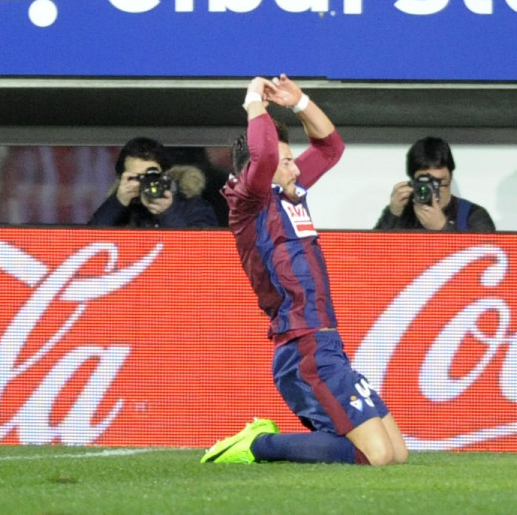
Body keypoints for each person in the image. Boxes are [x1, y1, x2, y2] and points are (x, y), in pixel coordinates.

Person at [201, 74, 408, 467]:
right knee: (375, 455)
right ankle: (257, 445)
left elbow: (330, 147)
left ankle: (300, 441)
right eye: (287, 162)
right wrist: (253, 103)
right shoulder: (248, 202)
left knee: (396, 453)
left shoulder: (288, 194)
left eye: (293, 159)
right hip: (302, 345)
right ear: (256, 172)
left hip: (327, 343)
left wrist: (299, 102)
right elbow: (262, 157)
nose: (296, 168)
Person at [88, 136, 218, 228]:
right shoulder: (118, 210)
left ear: (166, 175)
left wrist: (168, 212)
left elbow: (202, 251)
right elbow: (86, 244)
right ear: (123, 179)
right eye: (136, 178)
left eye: (151, 176)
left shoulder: (193, 207)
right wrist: (117, 204)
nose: (145, 183)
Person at [374, 136, 496, 232]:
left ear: (451, 177)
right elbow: (368, 256)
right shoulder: (401, 213)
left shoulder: (472, 215)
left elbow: (487, 257)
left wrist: (443, 228)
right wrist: (392, 214)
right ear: (412, 181)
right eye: (426, 182)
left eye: (441, 182)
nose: (434, 189)